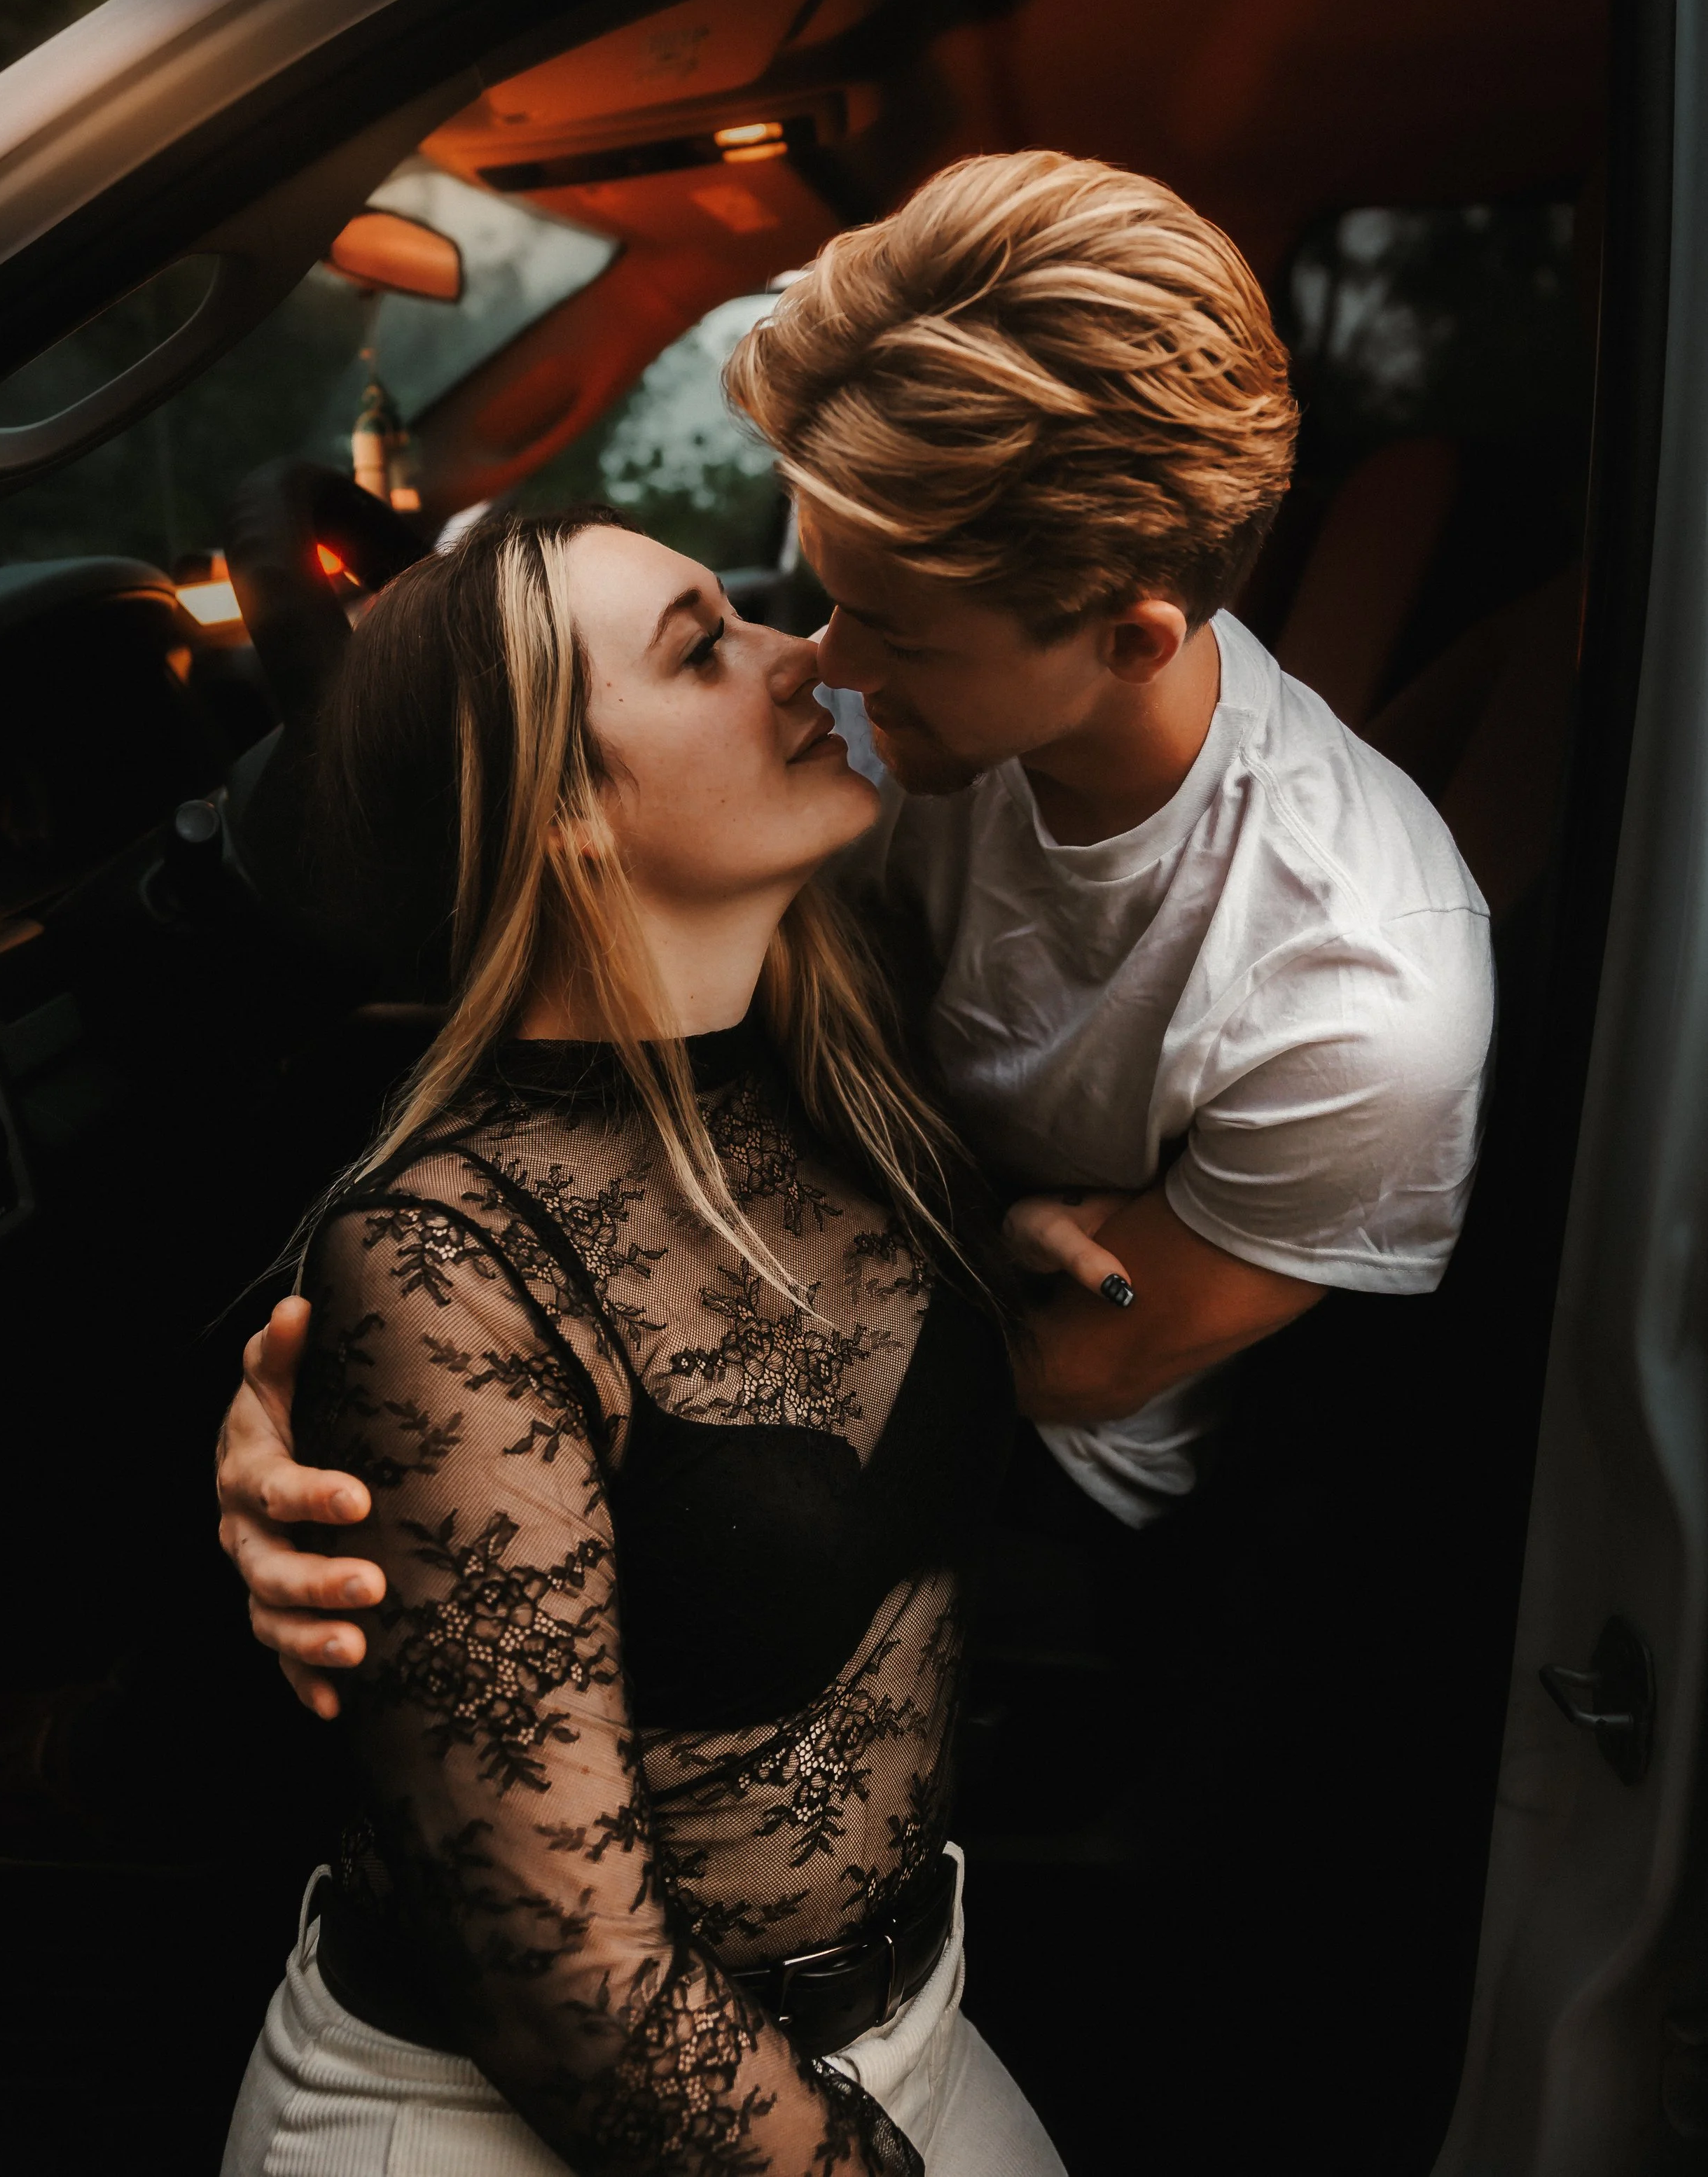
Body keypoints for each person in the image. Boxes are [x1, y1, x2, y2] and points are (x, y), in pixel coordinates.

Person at [220, 152, 1493, 1696]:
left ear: (1128, 635)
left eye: (884, 628)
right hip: (819, 1248)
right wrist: (348, 1397)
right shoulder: (894, 717)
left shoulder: (1356, 997)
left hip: (1020, 1505)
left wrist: (482, 1441)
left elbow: (1072, 1367)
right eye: (822, 590)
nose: (817, 662)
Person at [218, 502, 1064, 2177]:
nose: (799, 649)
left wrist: (1013, 1235)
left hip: (903, 2027)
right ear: (568, 817)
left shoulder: (843, 1070)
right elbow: (572, 1993)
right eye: (704, 644)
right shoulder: (443, 1259)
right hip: (528, 2114)